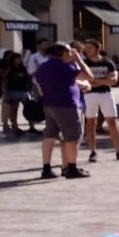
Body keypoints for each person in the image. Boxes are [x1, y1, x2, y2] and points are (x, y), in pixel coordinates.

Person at [35, 42, 88, 179]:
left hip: (49, 104)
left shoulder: (43, 66)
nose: (71, 54)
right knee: (72, 137)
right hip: (66, 105)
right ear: (63, 53)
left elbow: (39, 87)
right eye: (69, 52)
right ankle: (71, 168)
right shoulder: (64, 66)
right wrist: (78, 60)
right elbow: (86, 75)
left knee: (50, 136)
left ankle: (46, 169)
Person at [78, 40, 119, 163]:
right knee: (90, 123)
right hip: (89, 95)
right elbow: (82, 78)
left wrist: (93, 80)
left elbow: (114, 80)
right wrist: (103, 80)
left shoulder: (108, 63)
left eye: (90, 48)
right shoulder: (84, 63)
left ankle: (118, 150)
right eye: (86, 48)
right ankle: (92, 152)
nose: (87, 50)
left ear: (97, 49)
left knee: (112, 122)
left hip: (106, 94)